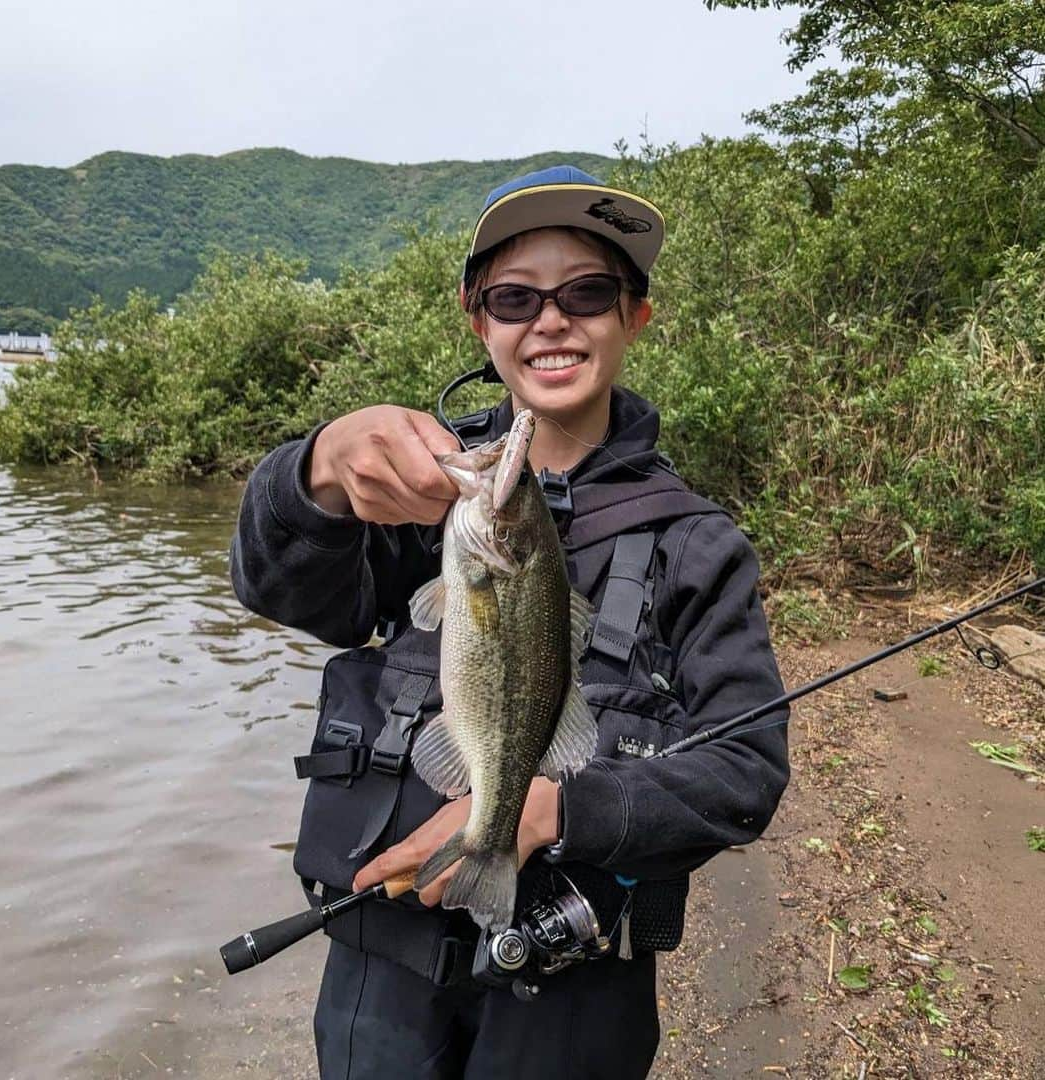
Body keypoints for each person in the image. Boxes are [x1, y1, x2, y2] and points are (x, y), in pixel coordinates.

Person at [230, 165, 790, 1080]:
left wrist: (552, 808)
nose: (552, 319)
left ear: (634, 316)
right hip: (384, 969)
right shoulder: (421, 496)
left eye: (589, 292)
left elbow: (746, 773)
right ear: (476, 318)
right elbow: (272, 585)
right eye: (517, 297)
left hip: (574, 989)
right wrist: (316, 469)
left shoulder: (698, 545)